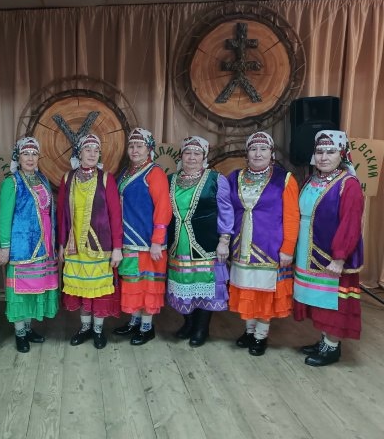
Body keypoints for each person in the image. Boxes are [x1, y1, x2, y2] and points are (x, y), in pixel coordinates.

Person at [293, 130, 364, 367]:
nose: (324, 157)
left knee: (333, 302)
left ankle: (331, 348)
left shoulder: (348, 184)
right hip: (308, 250)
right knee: (318, 299)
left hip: (331, 255)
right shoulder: (311, 180)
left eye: (330, 151)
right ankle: (324, 341)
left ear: (342, 154)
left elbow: (350, 223)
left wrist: (340, 257)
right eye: (319, 151)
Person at [228, 132, 300, 356]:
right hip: (240, 245)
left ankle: (260, 336)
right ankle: (249, 331)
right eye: (253, 149)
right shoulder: (234, 177)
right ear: (247, 153)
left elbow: (292, 217)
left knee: (264, 292)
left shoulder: (284, 179)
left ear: (272, 153)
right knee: (246, 289)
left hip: (269, 247)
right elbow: (226, 210)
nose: (258, 154)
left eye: (263, 149)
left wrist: (288, 248)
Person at [58, 133, 123, 349]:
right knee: (81, 291)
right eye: (88, 150)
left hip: (100, 247)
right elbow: (61, 214)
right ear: (79, 153)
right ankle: (85, 328)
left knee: (99, 291)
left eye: (96, 150)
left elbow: (115, 215)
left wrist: (117, 247)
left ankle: (98, 330)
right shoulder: (68, 179)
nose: (92, 154)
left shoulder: (106, 179)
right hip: (74, 247)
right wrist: (61, 244)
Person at [166, 136, 233, 347]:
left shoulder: (216, 179)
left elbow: (226, 211)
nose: (192, 157)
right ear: (181, 156)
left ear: (204, 157)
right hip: (178, 244)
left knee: (205, 286)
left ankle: (201, 328)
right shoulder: (170, 180)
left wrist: (224, 240)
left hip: (206, 243)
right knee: (183, 285)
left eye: (197, 153)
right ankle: (188, 323)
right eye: (188, 153)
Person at [0, 137, 59, 353]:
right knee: (21, 291)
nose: (30, 158)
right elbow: (4, 218)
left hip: (44, 245)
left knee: (35, 289)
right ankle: (20, 333)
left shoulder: (43, 179)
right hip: (22, 246)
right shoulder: (11, 183)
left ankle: (29, 328)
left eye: (34, 154)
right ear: (18, 157)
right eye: (26, 154)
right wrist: (5, 247)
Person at [113, 128, 171, 345]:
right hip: (129, 240)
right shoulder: (126, 172)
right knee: (133, 284)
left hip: (148, 243)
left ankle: (147, 327)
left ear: (149, 149)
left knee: (148, 286)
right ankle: (134, 322)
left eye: (140, 146)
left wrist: (157, 241)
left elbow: (163, 207)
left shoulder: (155, 173)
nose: (135, 150)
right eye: (131, 146)